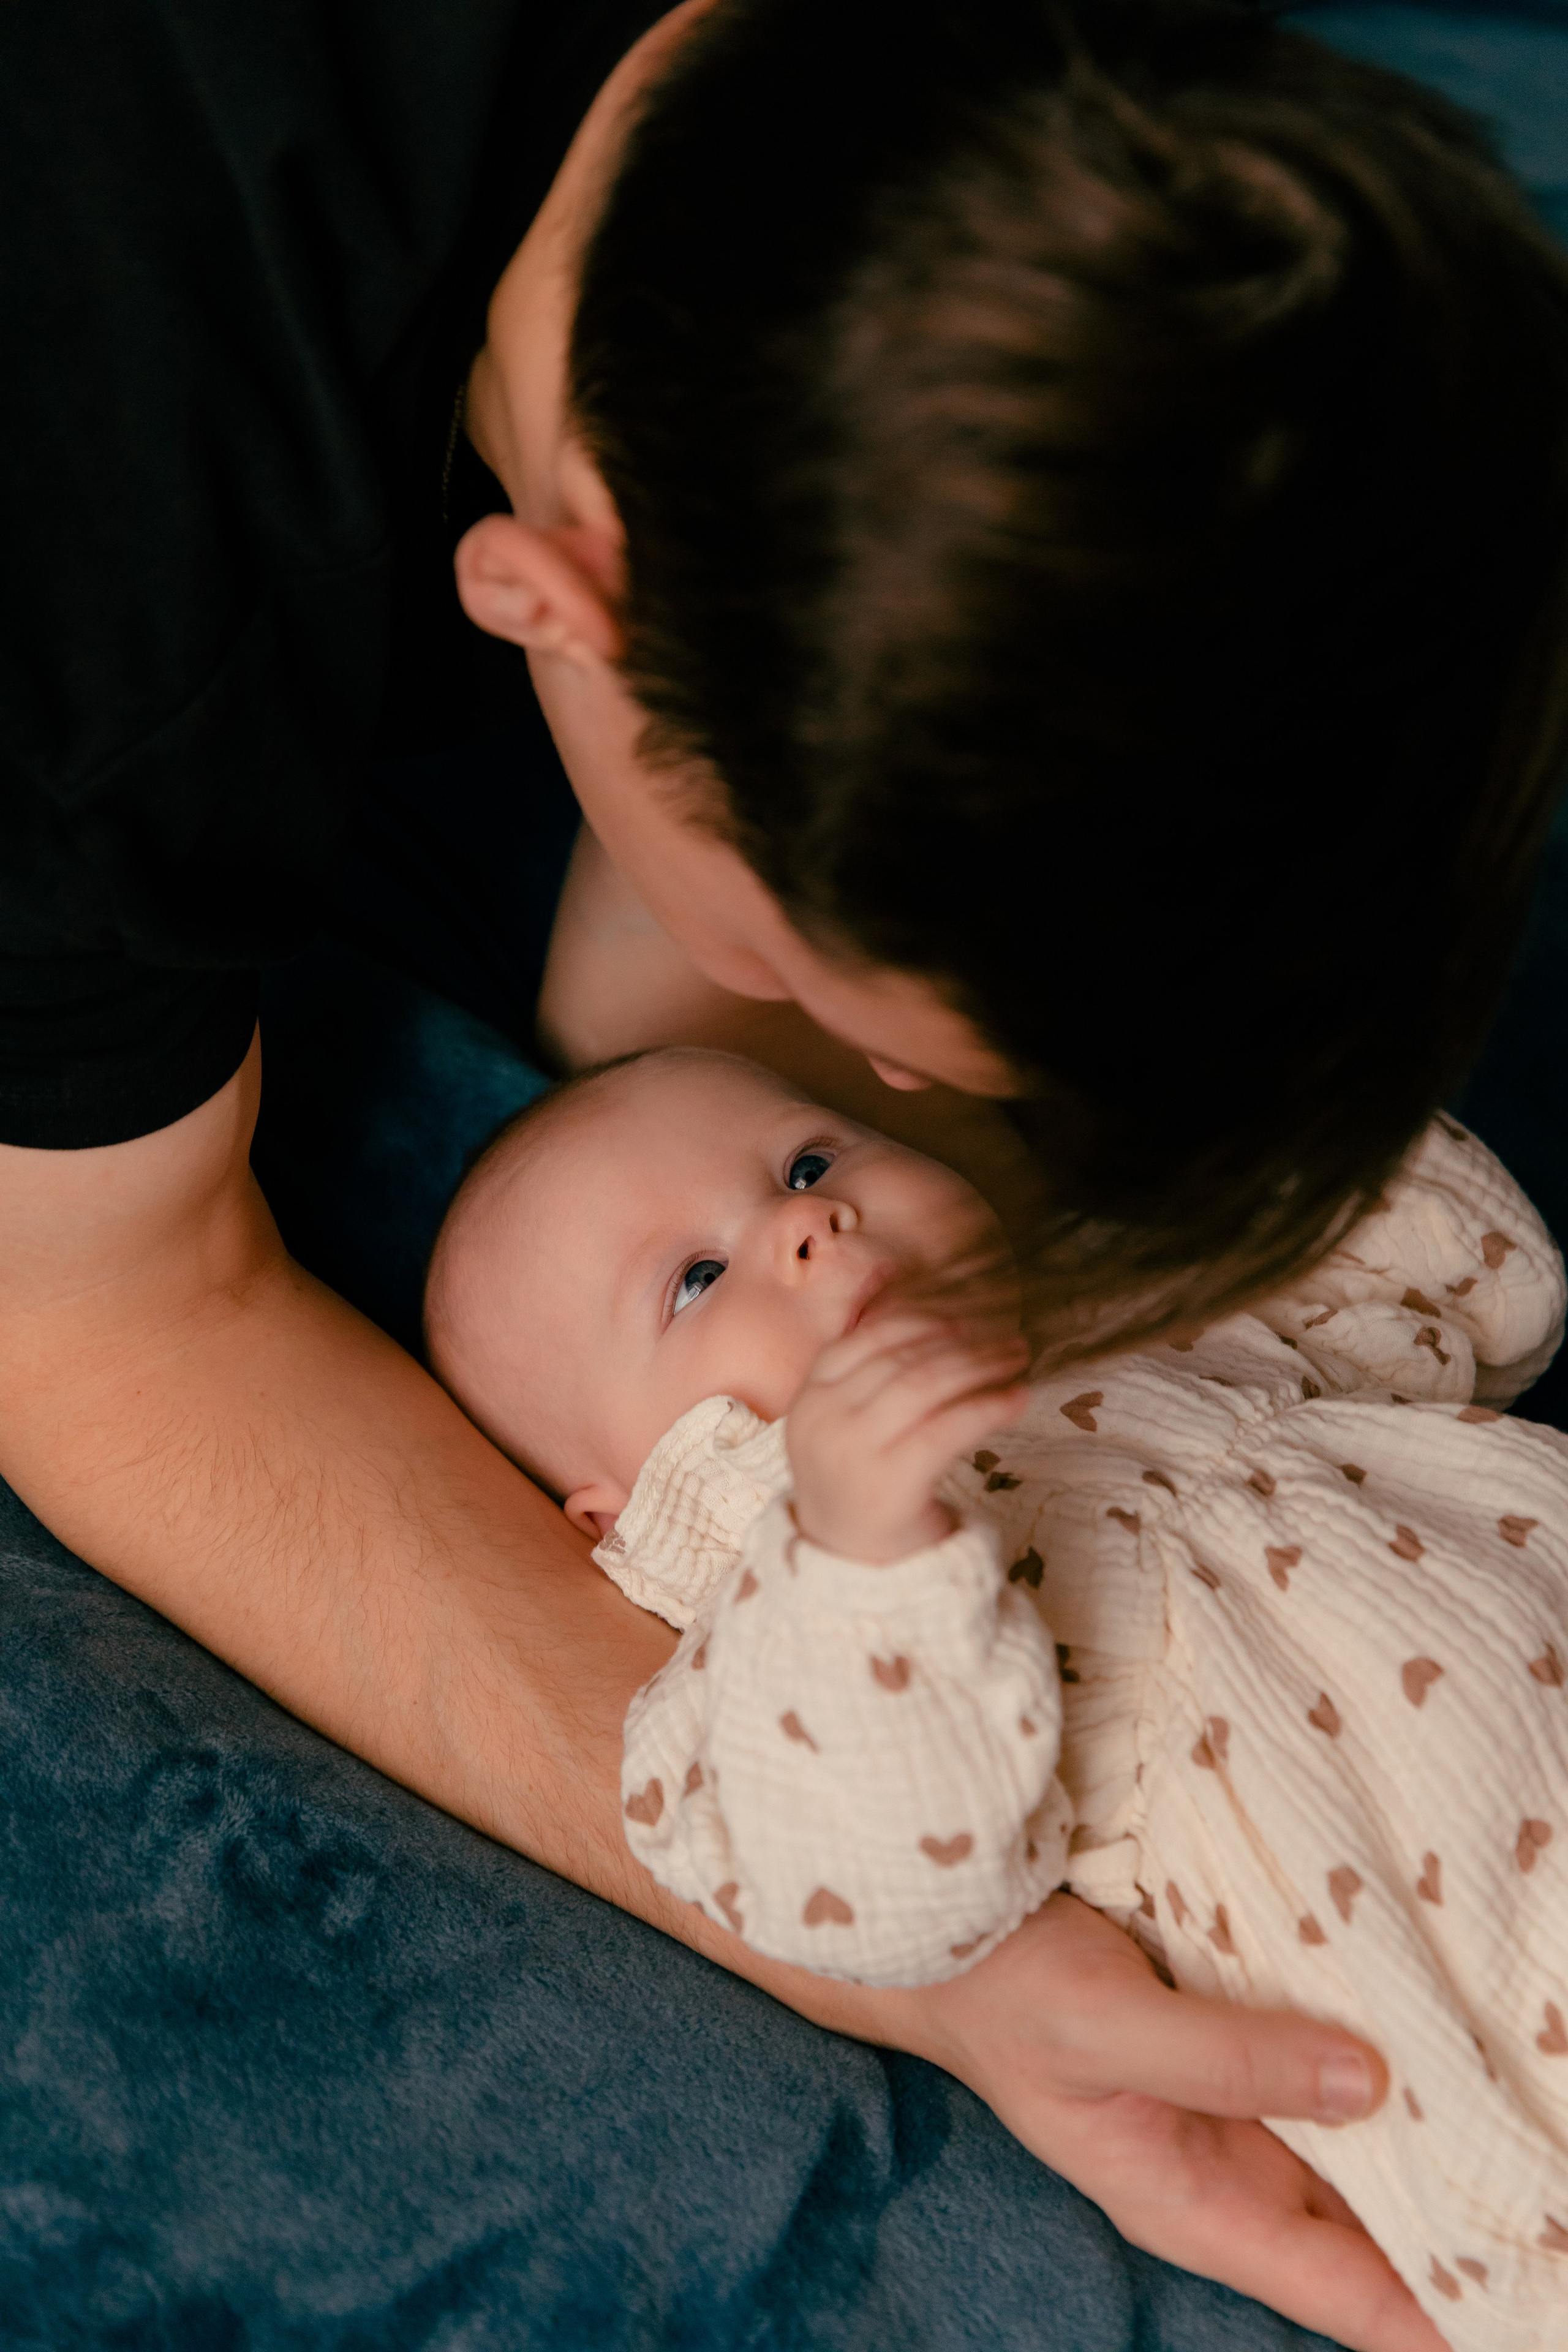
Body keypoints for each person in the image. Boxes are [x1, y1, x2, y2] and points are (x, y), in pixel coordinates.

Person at [3, 1, 1568, 2342]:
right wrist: (948, 1970)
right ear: (549, 600)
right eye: (845, 1025)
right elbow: (95, 1311)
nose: (838, 1184)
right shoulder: (107, 558)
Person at [426, 1043, 1568, 2348]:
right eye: (695, 1280)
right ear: (617, 1512)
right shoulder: (754, 1669)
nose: (806, 1223)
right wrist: (855, 1552)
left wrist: (1214, 1095)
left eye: (809, 1161)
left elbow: (1478, 1294)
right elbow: (890, 1889)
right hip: (1468, 1962)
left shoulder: (1139, 1296)